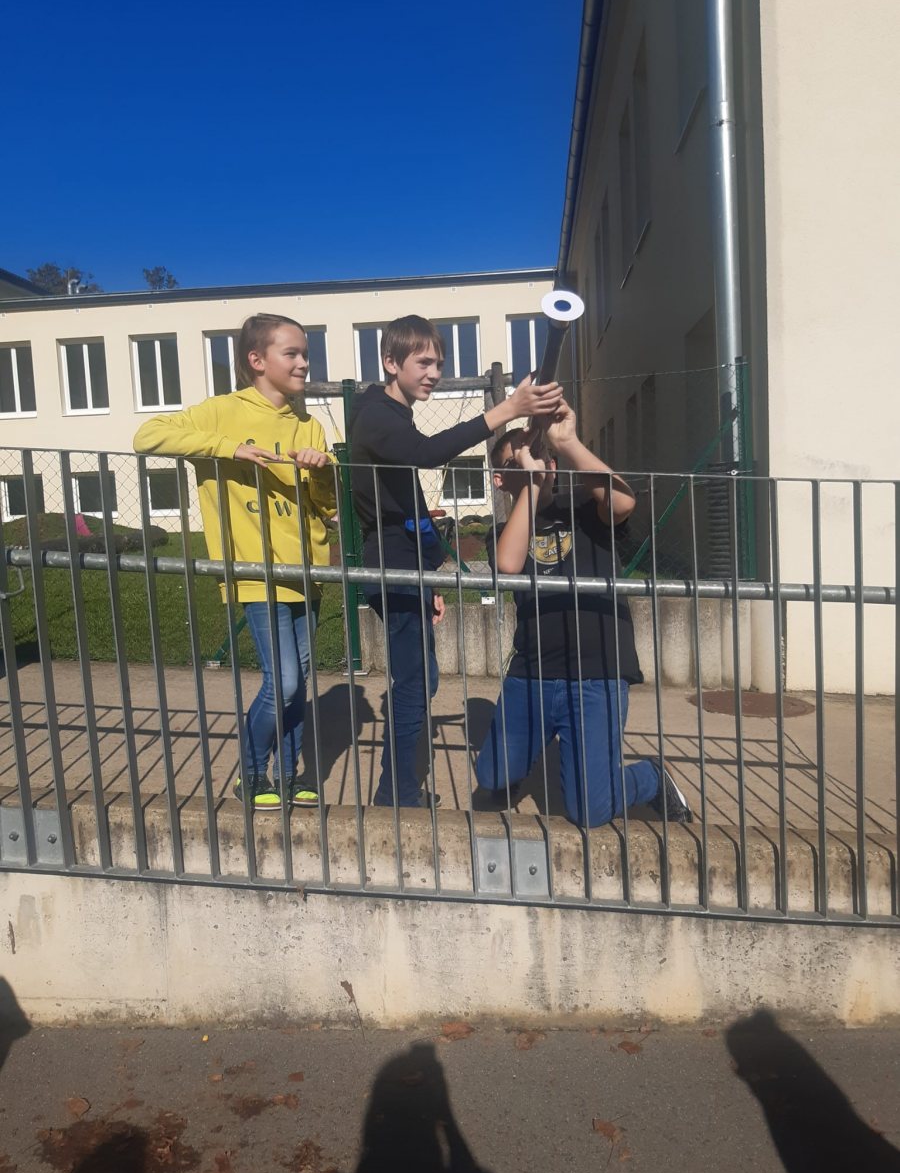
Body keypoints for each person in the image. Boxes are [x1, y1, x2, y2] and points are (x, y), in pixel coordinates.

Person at [348, 314, 563, 808]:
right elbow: (425, 454)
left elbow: (408, 499)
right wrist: (508, 408)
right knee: (413, 684)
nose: (434, 373)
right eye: (424, 363)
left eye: (439, 364)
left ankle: (396, 788)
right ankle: (396, 794)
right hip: (391, 564)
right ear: (390, 362)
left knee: (420, 679)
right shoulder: (377, 415)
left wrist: (430, 581)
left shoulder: (392, 413)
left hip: (407, 566)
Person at [133, 313, 336, 811]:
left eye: (306, 354)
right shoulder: (221, 412)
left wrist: (322, 471)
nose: (304, 363)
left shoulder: (309, 425)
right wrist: (230, 449)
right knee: (282, 682)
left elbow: (327, 508)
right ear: (257, 360)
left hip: (306, 571)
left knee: (297, 685)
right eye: (292, 353)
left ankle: (287, 776)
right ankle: (251, 773)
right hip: (253, 570)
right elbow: (147, 436)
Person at [474, 401, 693, 828]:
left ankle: (650, 778)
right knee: (492, 777)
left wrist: (567, 441)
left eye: (541, 456)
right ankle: (525, 758)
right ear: (500, 479)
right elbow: (508, 565)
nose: (537, 463)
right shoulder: (503, 532)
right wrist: (531, 485)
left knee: (589, 811)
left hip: (596, 676)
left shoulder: (584, 509)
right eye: (520, 460)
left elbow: (623, 502)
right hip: (532, 675)